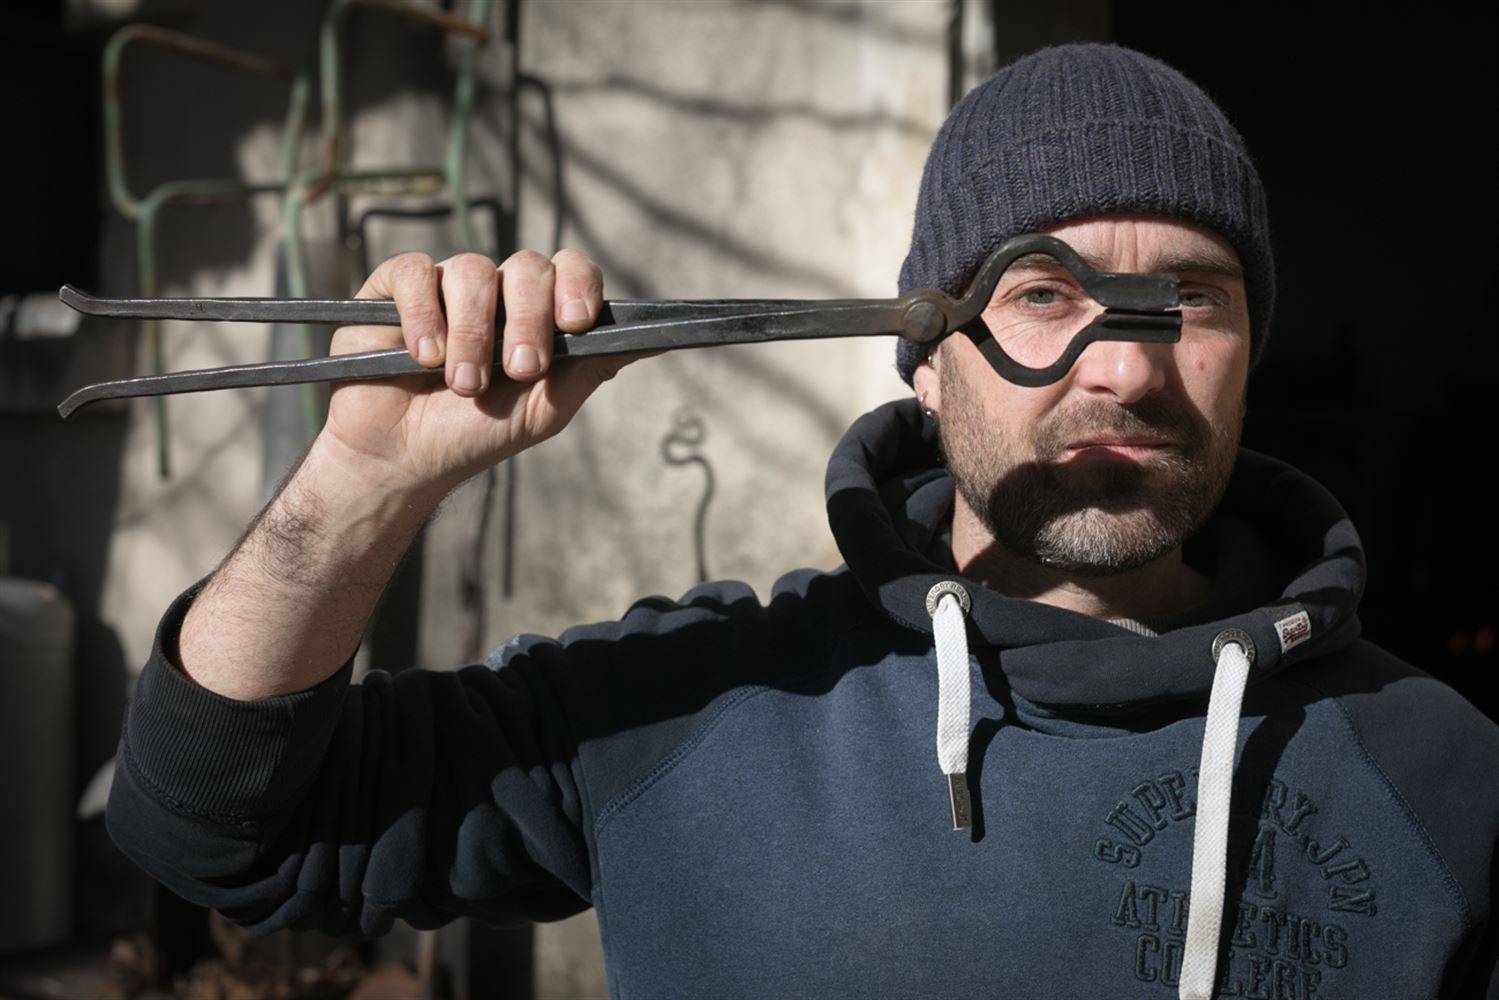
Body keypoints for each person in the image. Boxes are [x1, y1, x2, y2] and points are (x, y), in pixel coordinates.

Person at [106, 44, 1497, 998]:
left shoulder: (1445, 778)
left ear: (1253, 346)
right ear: (925, 352)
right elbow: (213, 831)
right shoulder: (695, 709)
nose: (1123, 369)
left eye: (1190, 299)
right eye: (1041, 293)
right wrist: (364, 480)